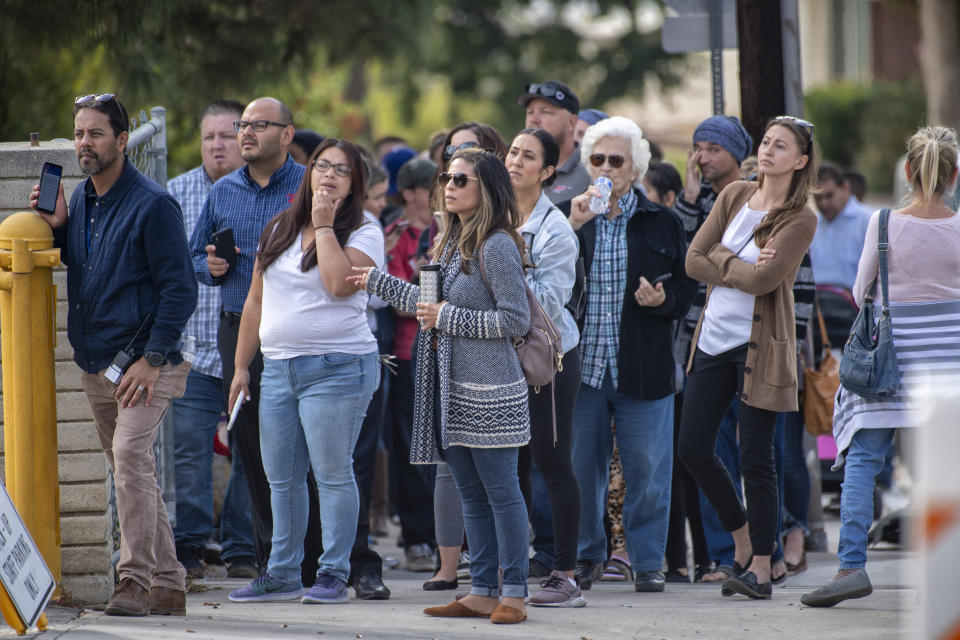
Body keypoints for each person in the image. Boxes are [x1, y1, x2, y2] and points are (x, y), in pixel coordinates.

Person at [189, 97, 389, 598]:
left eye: (341, 171)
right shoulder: (279, 227)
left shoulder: (364, 230)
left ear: (354, 183)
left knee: (331, 475)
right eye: (322, 166)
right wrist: (239, 369)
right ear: (309, 173)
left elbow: (341, 283)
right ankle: (281, 571)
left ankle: (334, 574)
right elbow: (255, 298)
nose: (329, 176)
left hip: (337, 367)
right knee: (281, 478)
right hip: (275, 368)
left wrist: (323, 225)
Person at [30, 93, 197, 616]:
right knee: (132, 469)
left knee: (128, 458)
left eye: (96, 133)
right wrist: (56, 226)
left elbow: (181, 290)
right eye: (79, 133)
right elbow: (83, 265)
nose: (85, 142)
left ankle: (135, 582)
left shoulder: (154, 204)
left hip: (150, 361)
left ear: (122, 141)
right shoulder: (80, 200)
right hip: (95, 360)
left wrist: (152, 357)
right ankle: (170, 583)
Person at [349, 148, 532, 624]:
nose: (448, 185)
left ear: (486, 188)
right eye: (446, 178)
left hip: (492, 391)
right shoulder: (449, 242)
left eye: (460, 179)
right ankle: (482, 589)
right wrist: (377, 281)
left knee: (502, 492)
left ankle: (514, 591)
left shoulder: (496, 243)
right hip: (451, 391)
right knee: (471, 494)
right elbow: (426, 306)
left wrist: (448, 316)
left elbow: (515, 319)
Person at [803, 126, 960, 607]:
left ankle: (851, 568)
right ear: (954, 175)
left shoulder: (884, 223)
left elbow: (859, 291)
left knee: (863, 463)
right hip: (949, 364)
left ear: (909, 172)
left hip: (887, 364)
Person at [679, 116, 818, 600]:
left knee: (758, 459)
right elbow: (693, 259)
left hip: (759, 347)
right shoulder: (735, 194)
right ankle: (742, 538)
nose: (768, 151)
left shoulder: (801, 218)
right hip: (712, 339)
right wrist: (732, 262)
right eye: (765, 142)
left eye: (780, 147)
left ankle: (763, 563)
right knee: (693, 448)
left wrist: (720, 259)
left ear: (799, 161)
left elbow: (764, 282)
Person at [567, 116, 697, 593]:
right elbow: (540, 281)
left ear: (636, 169)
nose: (604, 168)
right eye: (596, 159)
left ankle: (646, 562)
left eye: (615, 161)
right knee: (582, 472)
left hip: (642, 366)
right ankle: (586, 556)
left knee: (648, 472)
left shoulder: (662, 221)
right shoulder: (569, 217)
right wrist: (573, 225)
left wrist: (663, 302)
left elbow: (686, 289)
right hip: (580, 369)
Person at [166, 99, 257, 579]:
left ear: (245, 139)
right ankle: (190, 547)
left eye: (227, 136)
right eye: (209, 137)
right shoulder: (175, 194)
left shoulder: (258, 194)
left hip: (248, 348)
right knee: (189, 451)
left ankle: (242, 547)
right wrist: (205, 266)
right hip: (193, 352)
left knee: (249, 450)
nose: (218, 145)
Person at [507, 128, 584, 607]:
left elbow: (551, 303)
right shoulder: (487, 216)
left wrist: (496, 303)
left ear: (548, 171)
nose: (515, 161)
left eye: (528, 156)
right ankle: (511, 565)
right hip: (495, 355)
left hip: (547, 358)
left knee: (552, 463)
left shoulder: (555, 230)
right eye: (512, 151)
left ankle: (565, 573)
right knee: (507, 465)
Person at [383, 157, 440, 572]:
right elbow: (403, 302)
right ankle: (417, 538)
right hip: (405, 357)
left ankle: (448, 539)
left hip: (447, 355)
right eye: (432, 187)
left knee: (447, 453)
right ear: (410, 193)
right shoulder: (395, 237)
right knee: (410, 451)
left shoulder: (445, 233)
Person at [519, 80, 590, 209]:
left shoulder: (592, 170)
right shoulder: (514, 168)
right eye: (530, 112)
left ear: (571, 123)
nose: (534, 119)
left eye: (545, 112)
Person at [810, 162, 872, 291]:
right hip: (817, 306)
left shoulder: (868, 221)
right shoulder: (812, 224)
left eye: (829, 195)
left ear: (845, 188)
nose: (824, 203)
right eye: (818, 198)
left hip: (855, 307)